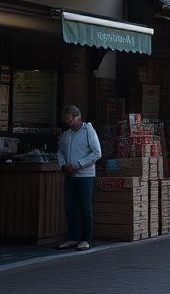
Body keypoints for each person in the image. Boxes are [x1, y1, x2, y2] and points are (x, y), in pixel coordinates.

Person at [57, 104, 102, 250]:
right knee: (70, 207)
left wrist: (77, 165)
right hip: (70, 175)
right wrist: (63, 165)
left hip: (85, 175)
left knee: (85, 207)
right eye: (66, 120)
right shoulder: (66, 135)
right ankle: (73, 237)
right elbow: (60, 152)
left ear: (78, 117)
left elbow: (97, 153)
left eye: (70, 120)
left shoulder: (88, 131)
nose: (68, 123)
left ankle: (86, 239)